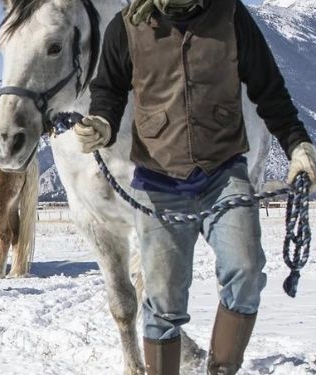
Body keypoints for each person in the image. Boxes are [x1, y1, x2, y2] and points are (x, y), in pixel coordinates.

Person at [77, 1, 316, 374]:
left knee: (247, 271)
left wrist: (297, 144)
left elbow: (268, 88)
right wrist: (103, 125)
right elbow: (108, 90)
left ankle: (220, 369)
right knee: (163, 301)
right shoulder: (127, 27)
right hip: (158, 181)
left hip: (223, 173)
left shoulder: (231, 14)